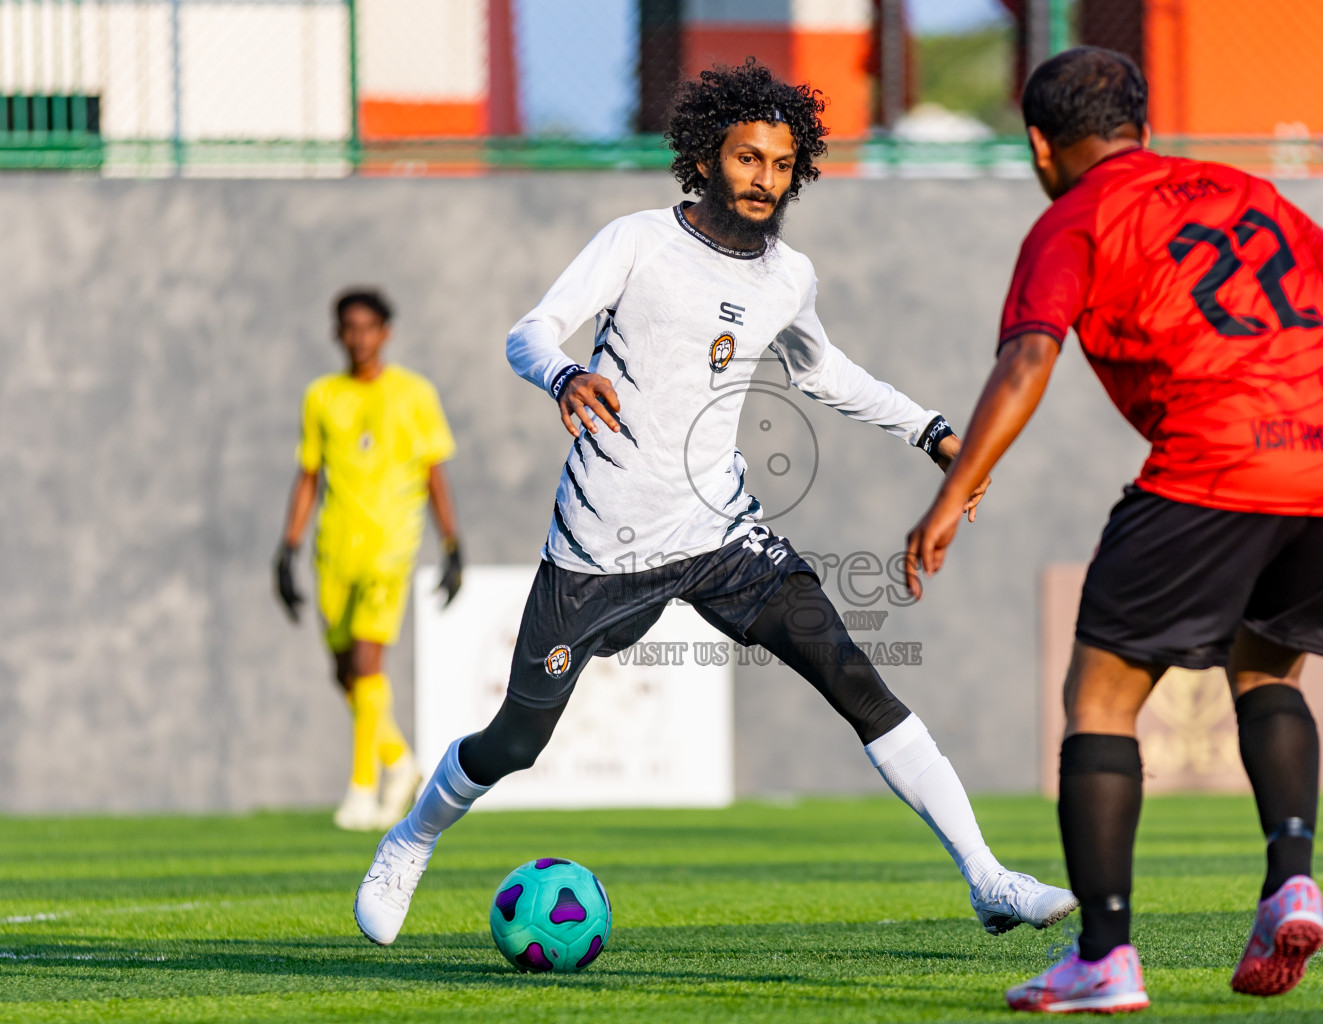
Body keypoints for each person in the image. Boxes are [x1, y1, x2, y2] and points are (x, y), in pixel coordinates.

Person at [351, 61, 1078, 947]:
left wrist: (929, 430)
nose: (764, 178)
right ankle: (411, 838)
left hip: (722, 533)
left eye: (780, 162)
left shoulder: (788, 278)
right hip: (600, 549)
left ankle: (988, 877)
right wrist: (566, 372)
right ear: (706, 158)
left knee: (854, 676)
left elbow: (825, 375)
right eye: (747, 158)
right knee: (515, 744)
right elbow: (531, 330)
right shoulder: (637, 242)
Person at [905, 48, 1323, 1014]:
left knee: (1100, 696)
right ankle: (1292, 880)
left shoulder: (1073, 216)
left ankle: (1104, 957)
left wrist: (953, 492)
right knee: (1267, 673)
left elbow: (1029, 358)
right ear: (1141, 125)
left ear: (1040, 144)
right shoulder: (1248, 190)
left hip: (1225, 455)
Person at [275, 288, 465, 831]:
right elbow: (309, 476)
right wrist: (287, 549)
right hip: (334, 550)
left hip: (389, 548)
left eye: (368, 327)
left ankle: (363, 789)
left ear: (386, 333)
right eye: (348, 328)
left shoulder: (414, 394)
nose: (358, 338)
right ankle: (400, 763)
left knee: (366, 663)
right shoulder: (320, 396)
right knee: (344, 673)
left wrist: (452, 544)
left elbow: (434, 473)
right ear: (337, 333)